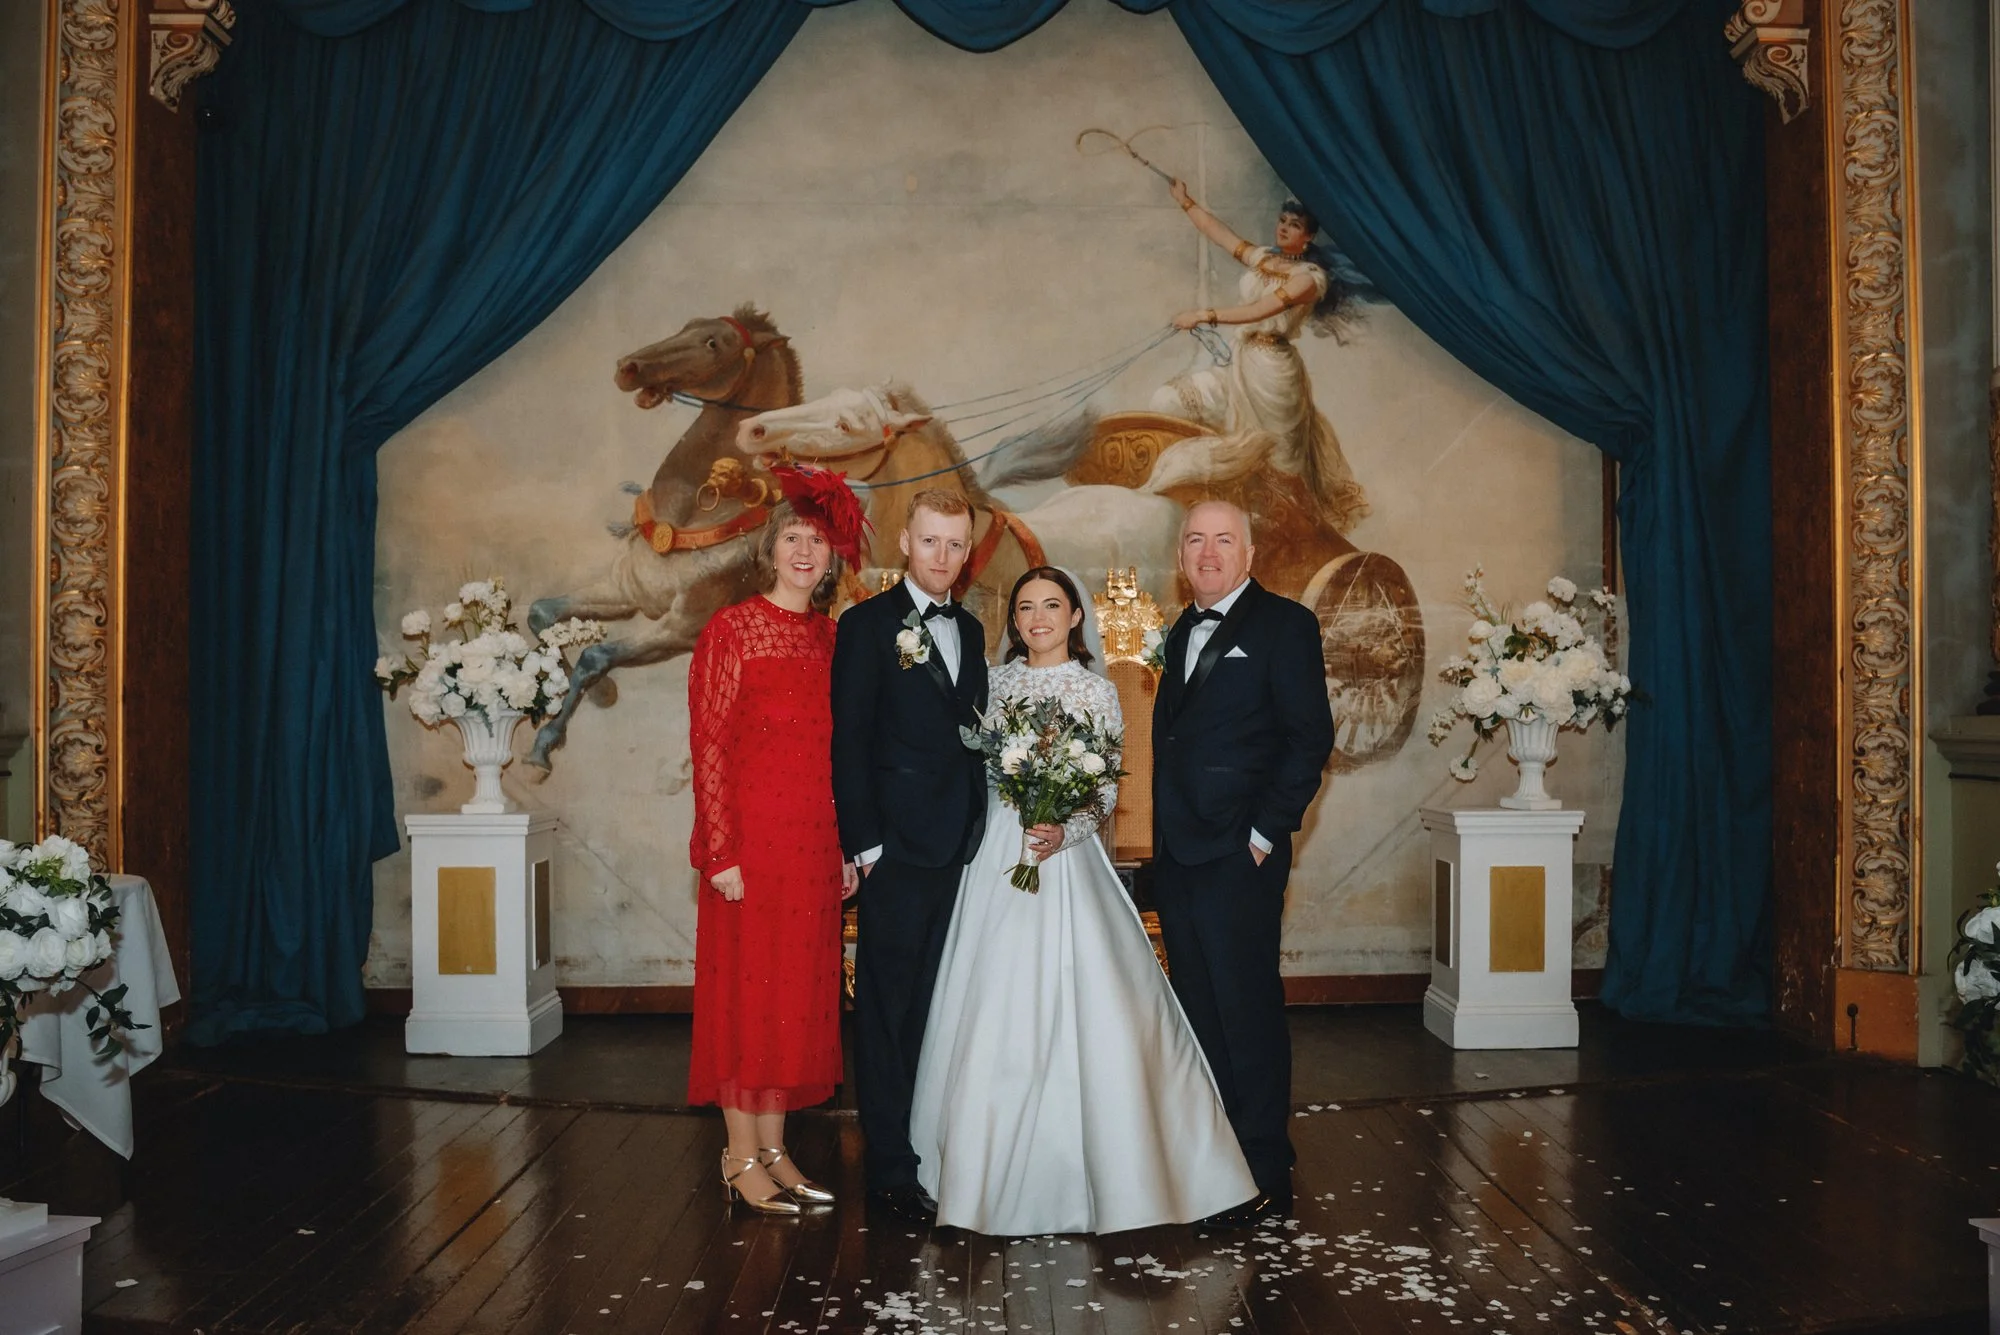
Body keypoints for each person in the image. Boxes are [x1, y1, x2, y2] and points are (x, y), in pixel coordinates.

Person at [909, 567, 1258, 1236]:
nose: (1037, 617)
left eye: (1052, 605)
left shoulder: (1096, 691)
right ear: (1013, 622)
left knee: (1097, 1010)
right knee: (985, 1003)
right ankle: (974, 1175)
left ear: (1075, 617)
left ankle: (1115, 1173)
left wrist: (1061, 829)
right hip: (996, 858)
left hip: (1063, 858)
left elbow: (1101, 792)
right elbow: (975, 769)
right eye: (1026, 607)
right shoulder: (996, 682)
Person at [686, 466, 869, 1215]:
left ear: (831, 560)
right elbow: (710, 745)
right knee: (745, 1000)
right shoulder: (731, 629)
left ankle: (774, 1147)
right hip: (751, 849)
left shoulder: (834, 638)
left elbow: (849, 752)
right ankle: (737, 1154)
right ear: (770, 548)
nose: (804, 550)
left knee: (792, 1000)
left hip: (814, 845)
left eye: (818, 541)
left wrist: (849, 846)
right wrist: (721, 851)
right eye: (793, 536)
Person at [1150, 500, 1334, 1227]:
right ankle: (1218, 1159)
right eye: (1195, 539)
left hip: (1238, 856)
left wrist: (1262, 833)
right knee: (1201, 1013)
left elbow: (1308, 738)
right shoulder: (1178, 631)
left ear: (1250, 552)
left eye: (1223, 539)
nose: (1207, 551)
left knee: (1247, 1010)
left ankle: (1263, 1166)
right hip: (1181, 857)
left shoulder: (1285, 625)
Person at [830, 488, 990, 1223]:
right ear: (904, 541)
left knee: (938, 1006)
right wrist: (865, 846)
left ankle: (930, 1143)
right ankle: (891, 1166)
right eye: (931, 542)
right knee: (887, 1012)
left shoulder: (976, 631)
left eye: (956, 545)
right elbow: (850, 741)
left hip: (960, 850)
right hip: (893, 853)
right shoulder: (865, 626)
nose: (944, 558)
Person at [1149, 184, 1369, 534]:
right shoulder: (1266, 259)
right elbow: (1220, 234)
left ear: (1309, 236)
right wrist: (1185, 201)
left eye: (1294, 224)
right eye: (1282, 220)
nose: (1283, 228)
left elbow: (1260, 310)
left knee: (1280, 467)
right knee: (1168, 400)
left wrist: (1203, 314)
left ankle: (1286, 536)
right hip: (1239, 362)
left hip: (1274, 376)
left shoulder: (1310, 279)